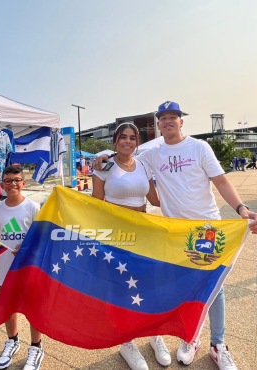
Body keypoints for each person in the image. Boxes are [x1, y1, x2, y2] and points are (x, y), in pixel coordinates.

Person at [95, 101, 257, 370]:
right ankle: (189, 338)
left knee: (214, 286)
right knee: (178, 286)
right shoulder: (152, 153)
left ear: (181, 122)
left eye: (173, 118)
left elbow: (221, 181)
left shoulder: (199, 147)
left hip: (205, 228)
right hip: (174, 231)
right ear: (158, 124)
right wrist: (102, 154)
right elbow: (125, 154)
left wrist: (241, 208)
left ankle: (218, 344)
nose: (168, 122)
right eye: (163, 119)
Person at [92, 123, 166, 370]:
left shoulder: (143, 164)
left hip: (143, 230)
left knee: (149, 283)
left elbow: (154, 199)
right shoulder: (104, 165)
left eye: (132, 138)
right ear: (115, 140)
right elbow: (96, 202)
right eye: (122, 137)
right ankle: (127, 342)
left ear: (137, 142)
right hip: (118, 234)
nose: (128, 141)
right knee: (123, 287)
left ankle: (155, 335)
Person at [0, 165, 44, 370]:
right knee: (8, 307)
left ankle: (36, 347)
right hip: (5, 269)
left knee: (33, 309)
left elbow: (40, 238)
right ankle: (12, 341)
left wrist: (26, 247)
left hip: (28, 269)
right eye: (8, 181)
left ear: (23, 183)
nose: (12, 184)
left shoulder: (33, 207)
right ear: (2, 184)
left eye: (16, 180)